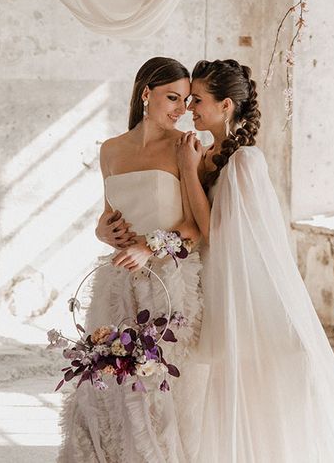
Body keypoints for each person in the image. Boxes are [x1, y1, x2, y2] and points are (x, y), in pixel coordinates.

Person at [176, 58, 334, 463]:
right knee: (232, 381)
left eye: (198, 101)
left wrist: (189, 171)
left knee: (262, 378)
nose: (190, 109)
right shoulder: (206, 154)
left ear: (226, 106)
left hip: (248, 287)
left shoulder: (245, 162)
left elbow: (217, 233)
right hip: (215, 281)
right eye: (188, 101)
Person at [58, 57, 205, 463]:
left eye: (187, 100)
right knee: (107, 383)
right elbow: (108, 217)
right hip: (118, 282)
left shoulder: (185, 147)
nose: (182, 109)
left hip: (169, 284)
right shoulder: (110, 150)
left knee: (158, 390)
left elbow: (195, 229)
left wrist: (149, 249)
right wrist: (102, 232)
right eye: (172, 97)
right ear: (146, 94)